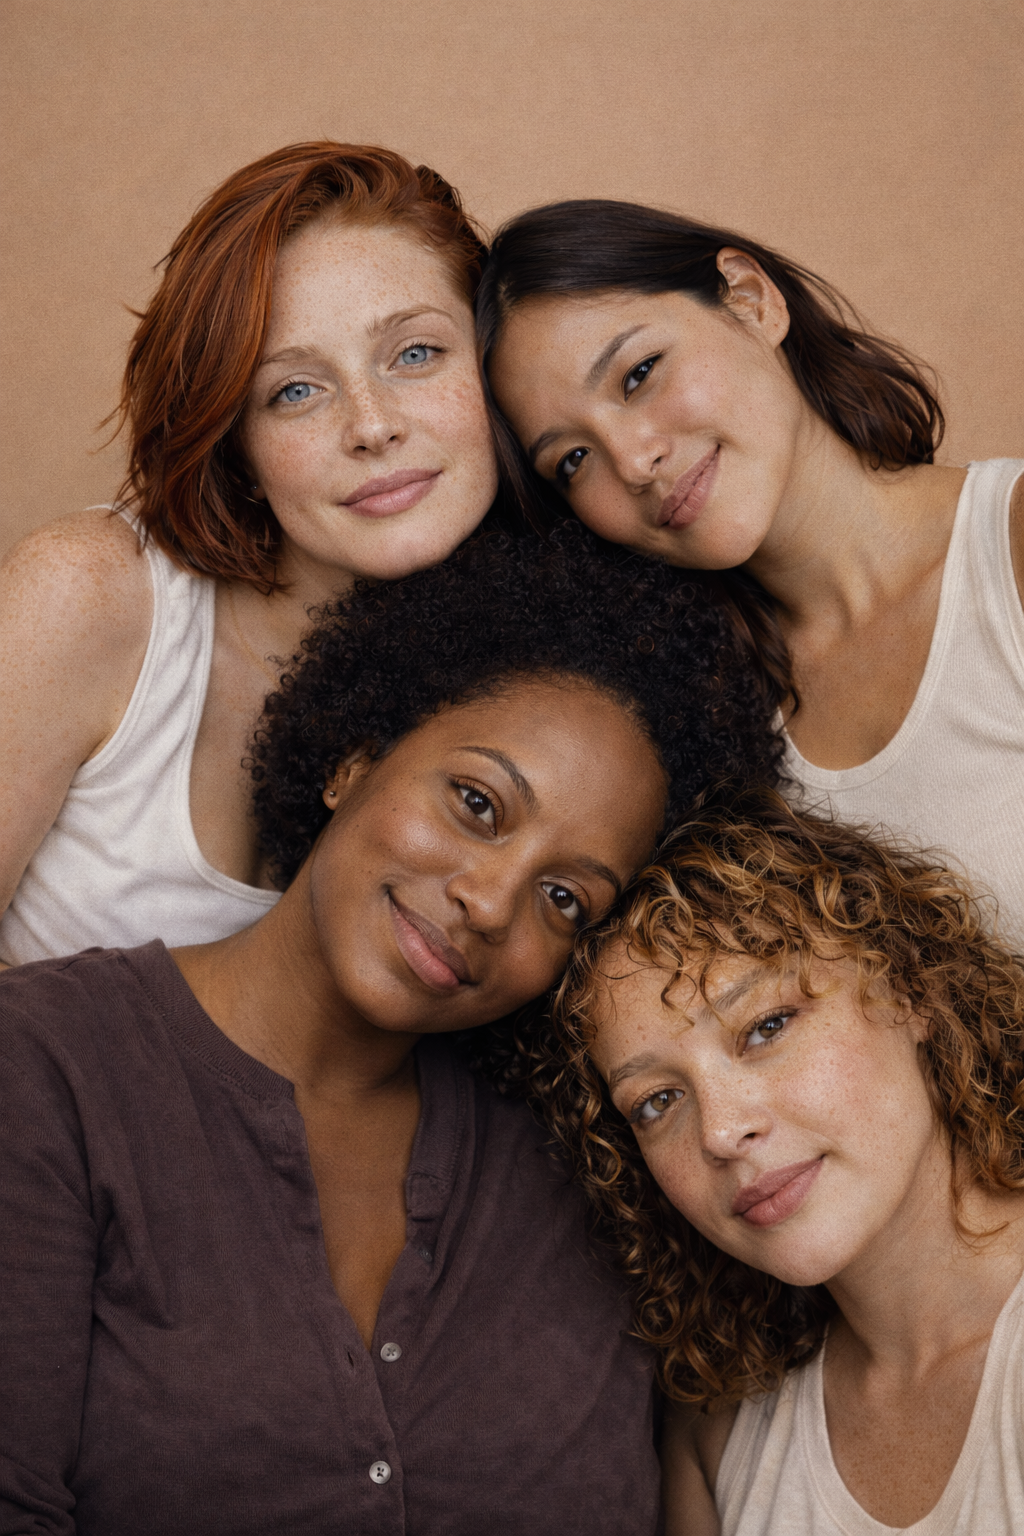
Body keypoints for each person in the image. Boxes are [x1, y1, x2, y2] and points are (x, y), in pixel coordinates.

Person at [0, 525, 780, 1535]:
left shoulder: (584, 1153)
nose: (489, 902)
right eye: (476, 804)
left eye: (564, 899)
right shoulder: (47, 1069)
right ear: (354, 760)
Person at [0, 141, 499, 966]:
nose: (372, 425)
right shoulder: (87, 590)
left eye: (415, 353)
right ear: (239, 453)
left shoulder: (543, 671)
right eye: (295, 390)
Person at [478, 200, 1024, 945]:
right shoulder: (711, 735)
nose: (633, 462)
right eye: (573, 459)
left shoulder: (1009, 547)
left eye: (639, 374)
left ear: (751, 299)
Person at [530, 785, 1024, 1534]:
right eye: (658, 1101)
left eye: (766, 1026)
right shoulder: (717, 1436)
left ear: (910, 989)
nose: (722, 1131)